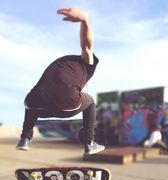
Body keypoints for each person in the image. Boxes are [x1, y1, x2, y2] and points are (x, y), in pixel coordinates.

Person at [16, 7, 105, 155]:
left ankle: (25, 139)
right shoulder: (86, 65)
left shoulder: (64, 63)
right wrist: (85, 20)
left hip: (37, 103)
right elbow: (87, 46)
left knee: (32, 100)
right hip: (66, 104)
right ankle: (89, 143)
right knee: (90, 102)